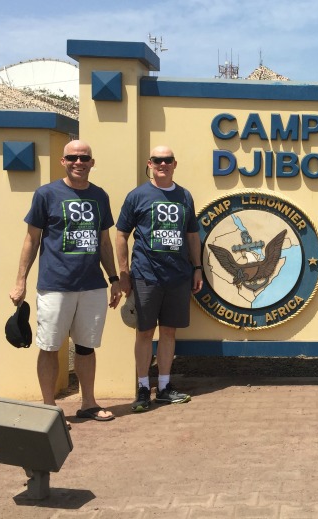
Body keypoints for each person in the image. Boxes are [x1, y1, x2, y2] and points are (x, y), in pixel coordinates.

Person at [9, 140, 121, 422]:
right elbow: (31, 240)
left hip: (92, 285)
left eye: (84, 158)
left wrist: (114, 278)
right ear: (63, 161)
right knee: (49, 346)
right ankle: (49, 410)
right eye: (73, 157)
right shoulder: (46, 194)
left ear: (92, 162)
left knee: (86, 346)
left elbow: (104, 243)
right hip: (55, 285)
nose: (78, 162)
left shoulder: (100, 196)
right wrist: (20, 281)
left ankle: (89, 403)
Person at [116, 145, 203, 413]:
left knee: (168, 332)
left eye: (167, 160)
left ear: (174, 164)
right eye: (157, 160)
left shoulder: (184, 196)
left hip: (177, 276)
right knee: (144, 332)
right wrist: (124, 273)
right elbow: (121, 235)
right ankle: (143, 388)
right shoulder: (137, 196)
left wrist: (197, 268)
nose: (162, 164)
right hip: (145, 275)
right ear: (150, 163)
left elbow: (191, 236)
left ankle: (164, 387)